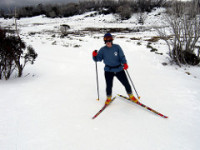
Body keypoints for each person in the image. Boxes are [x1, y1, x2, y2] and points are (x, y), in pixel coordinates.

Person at [92, 33, 138, 105]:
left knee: (126, 83)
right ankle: (108, 97)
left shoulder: (117, 47)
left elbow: (122, 56)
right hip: (108, 70)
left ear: (111, 40)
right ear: (105, 42)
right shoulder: (103, 50)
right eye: (106, 41)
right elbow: (97, 59)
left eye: (109, 41)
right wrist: (94, 56)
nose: (108, 42)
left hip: (119, 69)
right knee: (109, 85)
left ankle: (131, 95)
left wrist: (125, 63)